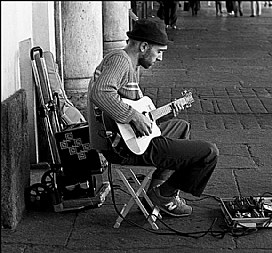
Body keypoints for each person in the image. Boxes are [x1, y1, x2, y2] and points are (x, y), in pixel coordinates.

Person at [87, 18, 219, 217]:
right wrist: (133, 116)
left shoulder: (130, 65)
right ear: (144, 46)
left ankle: (152, 196)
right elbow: (100, 93)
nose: (160, 58)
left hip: (125, 137)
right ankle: (165, 195)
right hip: (121, 146)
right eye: (159, 52)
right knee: (208, 153)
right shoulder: (120, 61)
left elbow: (136, 114)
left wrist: (156, 116)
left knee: (180, 126)